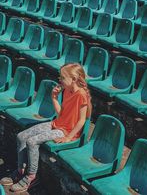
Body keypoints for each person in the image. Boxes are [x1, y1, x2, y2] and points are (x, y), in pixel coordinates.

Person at [0, 63, 92, 192]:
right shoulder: (66, 90)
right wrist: (54, 98)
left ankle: (31, 176)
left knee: (32, 141)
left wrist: (68, 137)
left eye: (63, 78)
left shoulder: (81, 95)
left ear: (74, 79)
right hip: (57, 124)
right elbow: (62, 114)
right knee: (21, 136)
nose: (60, 80)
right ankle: (21, 170)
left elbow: (82, 121)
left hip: (65, 131)